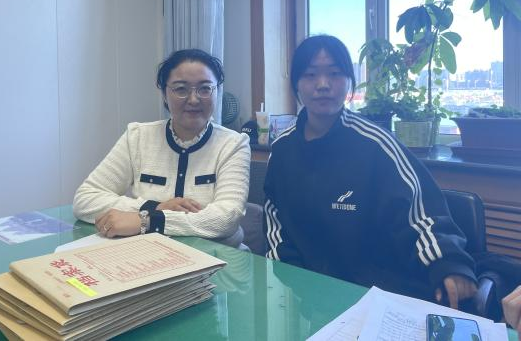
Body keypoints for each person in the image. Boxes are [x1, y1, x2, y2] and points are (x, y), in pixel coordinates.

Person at [263, 34, 477, 309]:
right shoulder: (282, 150)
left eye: (335, 74)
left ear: (348, 81)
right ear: (296, 84)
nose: (323, 84)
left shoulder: (375, 143)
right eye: (310, 75)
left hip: (383, 294)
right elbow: (276, 225)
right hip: (313, 296)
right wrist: (296, 279)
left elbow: (421, 210)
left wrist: (448, 263)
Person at [73, 48, 250, 246]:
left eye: (205, 88)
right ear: (164, 94)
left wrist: (148, 220)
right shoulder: (137, 137)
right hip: (150, 253)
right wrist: (154, 207)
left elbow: (227, 218)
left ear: (217, 92)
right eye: (181, 89)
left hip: (219, 256)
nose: (193, 99)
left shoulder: (233, 144)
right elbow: (85, 199)